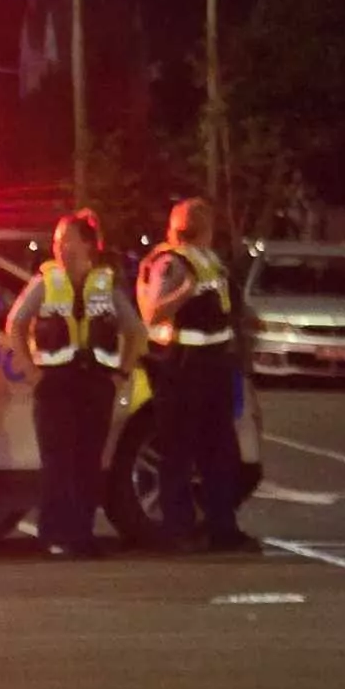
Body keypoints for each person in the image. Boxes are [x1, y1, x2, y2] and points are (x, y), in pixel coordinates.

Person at [6, 209, 145, 559]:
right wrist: (30, 369)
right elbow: (16, 324)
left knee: (87, 461)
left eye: (67, 240)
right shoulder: (45, 282)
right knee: (57, 462)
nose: (60, 247)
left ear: (87, 244)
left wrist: (122, 373)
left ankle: (81, 535)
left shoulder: (106, 285)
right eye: (57, 241)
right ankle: (54, 535)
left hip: (94, 383)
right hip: (55, 383)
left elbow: (135, 331)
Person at [135, 196, 260, 555]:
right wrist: (183, 294)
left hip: (215, 366)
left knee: (220, 452)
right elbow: (151, 312)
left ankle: (223, 528)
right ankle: (178, 531)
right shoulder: (171, 264)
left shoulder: (210, 261)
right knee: (178, 451)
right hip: (184, 367)